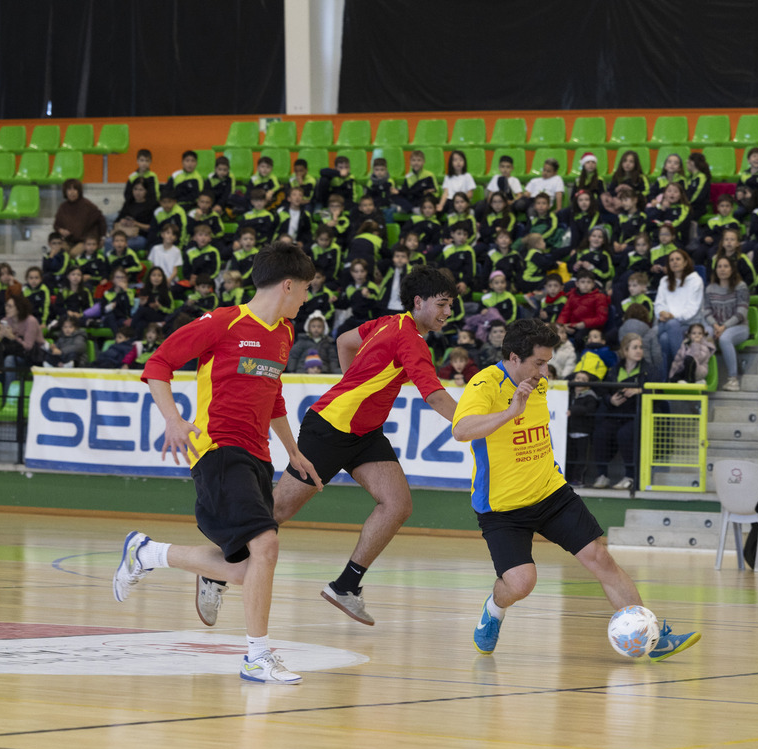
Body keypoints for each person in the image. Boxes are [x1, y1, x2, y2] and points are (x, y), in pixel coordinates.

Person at [112, 242, 319, 684]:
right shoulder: (225, 322)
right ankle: (256, 657)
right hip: (219, 450)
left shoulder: (283, 334)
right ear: (288, 285)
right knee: (267, 548)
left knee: (247, 570)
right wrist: (173, 419)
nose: (306, 299)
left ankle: (148, 553)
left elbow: (274, 396)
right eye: (305, 290)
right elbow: (159, 363)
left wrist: (294, 452)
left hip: (258, 455)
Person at [452, 318, 700, 660]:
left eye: (547, 362)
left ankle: (652, 635)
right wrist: (510, 412)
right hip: (502, 507)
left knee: (601, 558)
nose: (544, 370)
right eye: (538, 362)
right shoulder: (485, 385)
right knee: (521, 583)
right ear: (512, 357)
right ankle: (495, 607)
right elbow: (462, 430)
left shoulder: (537, 382)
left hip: (551, 493)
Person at [265, 269, 459, 626]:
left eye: (451, 305)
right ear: (418, 302)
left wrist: (354, 383)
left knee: (397, 504)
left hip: (364, 433)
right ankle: (216, 568)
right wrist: (475, 425)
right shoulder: (412, 340)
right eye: (442, 304)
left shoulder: (390, 322)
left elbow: (343, 341)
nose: (448, 312)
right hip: (330, 429)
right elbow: (434, 396)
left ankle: (346, 585)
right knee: (277, 511)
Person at [590, 333, 646, 490]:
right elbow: (605, 393)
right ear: (625, 351)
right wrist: (611, 400)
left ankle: (630, 476)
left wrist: (639, 391)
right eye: (635, 348)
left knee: (625, 434)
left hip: (638, 415)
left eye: (641, 347)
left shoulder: (648, 370)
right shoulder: (614, 370)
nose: (639, 351)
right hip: (617, 413)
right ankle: (602, 475)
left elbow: (659, 392)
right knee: (601, 432)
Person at [704, 255, 751, 391]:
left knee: (725, 338)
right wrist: (715, 326)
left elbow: (741, 312)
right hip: (716, 325)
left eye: (726, 266)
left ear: (732, 269)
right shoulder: (710, 288)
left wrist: (724, 327)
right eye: (719, 266)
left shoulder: (741, 286)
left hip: (738, 327)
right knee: (703, 335)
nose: (722, 269)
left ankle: (733, 379)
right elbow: (706, 311)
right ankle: (701, 376)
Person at [653, 250, 705, 372]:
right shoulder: (664, 281)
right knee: (664, 339)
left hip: (690, 323)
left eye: (678, 259)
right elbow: (659, 304)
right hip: (668, 323)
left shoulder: (695, 280)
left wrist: (672, 316)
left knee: (659, 333)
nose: (674, 262)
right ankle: (671, 375)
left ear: (686, 262)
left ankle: (680, 368)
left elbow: (692, 309)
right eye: (671, 260)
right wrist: (661, 313)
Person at [54, 179, 107, 257]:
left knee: (73, 254)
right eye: (69, 189)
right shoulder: (63, 207)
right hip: (68, 240)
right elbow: (56, 225)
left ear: (79, 191)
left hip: (85, 241)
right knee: (58, 252)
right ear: (65, 191)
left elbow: (101, 220)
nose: (72, 192)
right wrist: (61, 230)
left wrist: (102, 237)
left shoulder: (87, 205)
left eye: (75, 189)